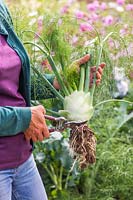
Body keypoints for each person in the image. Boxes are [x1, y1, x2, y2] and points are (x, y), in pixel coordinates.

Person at [0, 0, 104, 199]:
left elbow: (13, 82)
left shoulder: (0, 10)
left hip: (22, 158)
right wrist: (23, 119)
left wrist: (59, 81)